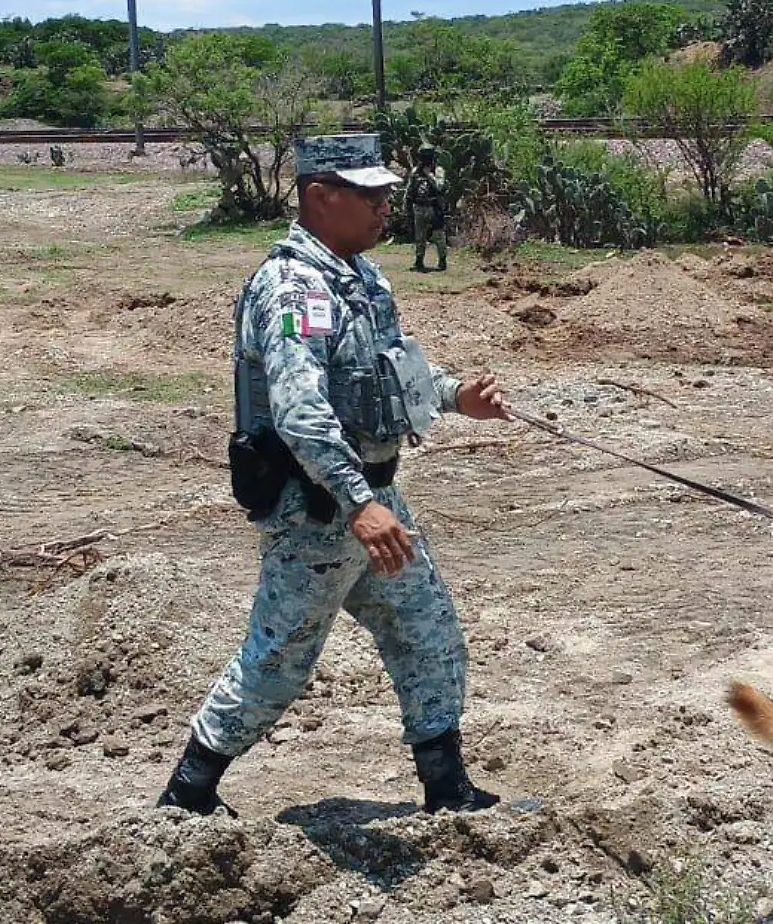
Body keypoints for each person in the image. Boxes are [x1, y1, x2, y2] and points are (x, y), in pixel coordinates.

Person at [158, 133, 511, 817]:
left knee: (428, 632)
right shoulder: (290, 287)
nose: (387, 206)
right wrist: (356, 502)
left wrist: (455, 395)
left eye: (386, 192)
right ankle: (186, 797)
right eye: (371, 194)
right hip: (317, 512)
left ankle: (448, 789)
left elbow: (392, 377)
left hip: (372, 501)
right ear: (321, 197)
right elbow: (301, 414)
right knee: (277, 661)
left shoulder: (363, 278)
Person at [406, 144, 450, 273]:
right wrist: (407, 206)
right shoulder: (415, 172)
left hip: (434, 207)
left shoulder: (438, 171)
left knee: (438, 235)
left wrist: (429, 175)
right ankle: (419, 260)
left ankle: (442, 260)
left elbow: (440, 187)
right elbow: (410, 190)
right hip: (419, 207)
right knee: (420, 236)